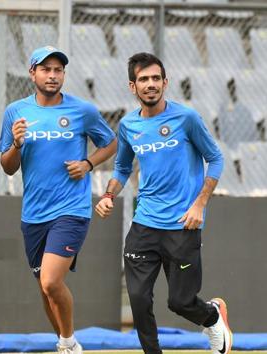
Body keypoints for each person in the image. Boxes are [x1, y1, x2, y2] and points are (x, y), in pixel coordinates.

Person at [94, 52, 231, 354]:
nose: (150, 84)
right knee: (140, 301)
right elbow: (122, 168)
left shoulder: (187, 118)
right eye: (143, 79)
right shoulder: (129, 125)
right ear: (133, 86)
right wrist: (108, 195)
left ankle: (211, 315)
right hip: (144, 225)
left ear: (165, 82)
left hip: (183, 224)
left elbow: (216, 158)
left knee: (180, 302)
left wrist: (199, 205)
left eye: (156, 78)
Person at [0, 46, 117, 354]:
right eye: (46, 69)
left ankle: (68, 342)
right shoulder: (16, 112)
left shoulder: (83, 111)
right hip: (34, 213)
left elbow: (111, 143)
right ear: (32, 73)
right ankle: (65, 343)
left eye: (58, 70)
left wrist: (88, 164)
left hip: (72, 209)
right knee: (44, 288)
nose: (52, 76)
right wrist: (15, 144)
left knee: (51, 281)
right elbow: (8, 166)